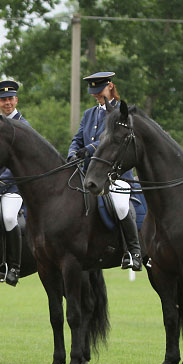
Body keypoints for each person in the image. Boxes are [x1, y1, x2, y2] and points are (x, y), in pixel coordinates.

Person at [67, 72, 142, 271]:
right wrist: (73, 152)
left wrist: (88, 150)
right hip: (89, 173)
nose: (96, 96)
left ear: (110, 86)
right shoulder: (88, 114)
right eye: (94, 93)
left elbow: (106, 141)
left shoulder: (121, 113)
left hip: (115, 173)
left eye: (99, 92)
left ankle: (133, 251)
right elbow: (78, 138)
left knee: (120, 205)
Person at [0, 80, 28, 286]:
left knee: (9, 217)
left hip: (15, 186)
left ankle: (14, 266)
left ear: (16, 100)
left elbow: (19, 164)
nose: (7, 103)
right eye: (3, 100)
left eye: (10, 99)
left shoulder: (23, 126)